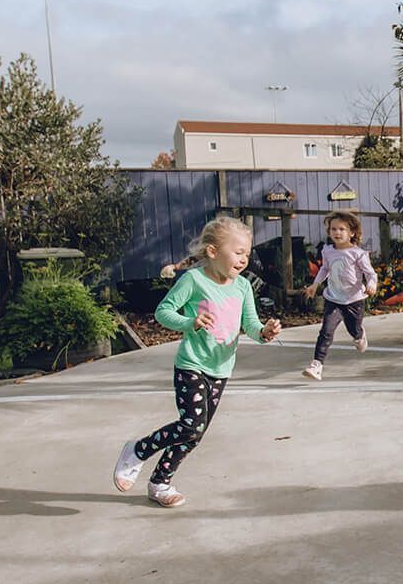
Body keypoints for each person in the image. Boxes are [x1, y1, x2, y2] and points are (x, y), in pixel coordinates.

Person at [114, 216, 281, 507]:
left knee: (195, 433)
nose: (244, 259)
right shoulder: (193, 279)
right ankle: (137, 450)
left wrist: (264, 332)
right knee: (191, 425)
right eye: (238, 252)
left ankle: (159, 484)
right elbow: (163, 312)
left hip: (221, 369)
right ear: (213, 252)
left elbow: (251, 325)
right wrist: (190, 322)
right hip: (192, 364)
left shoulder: (242, 287)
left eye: (247, 252)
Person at [300, 209, 379, 381]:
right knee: (326, 331)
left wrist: (371, 285)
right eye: (333, 229)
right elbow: (325, 269)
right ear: (329, 232)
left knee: (354, 330)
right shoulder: (328, 251)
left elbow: (371, 274)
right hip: (333, 299)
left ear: (352, 233)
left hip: (354, 300)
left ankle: (359, 335)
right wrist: (315, 284)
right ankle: (317, 365)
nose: (337, 232)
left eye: (342, 229)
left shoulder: (358, 254)